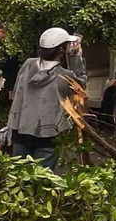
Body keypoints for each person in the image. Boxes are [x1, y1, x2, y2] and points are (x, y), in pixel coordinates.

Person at [8, 28, 86, 171]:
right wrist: (75, 57)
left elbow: (16, 94)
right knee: (42, 180)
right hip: (48, 134)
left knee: (18, 176)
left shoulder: (27, 65)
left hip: (20, 130)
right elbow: (80, 86)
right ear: (62, 50)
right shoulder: (64, 76)